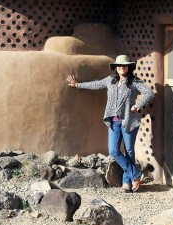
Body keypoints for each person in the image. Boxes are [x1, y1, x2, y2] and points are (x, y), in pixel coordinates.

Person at [66, 55, 155, 192]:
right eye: (119, 65)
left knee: (129, 151)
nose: (121, 68)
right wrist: (77, 85)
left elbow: (149, 93)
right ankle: (136, 175)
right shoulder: (110, 80)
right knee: (113, 150)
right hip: (113, 122)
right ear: (116, 68)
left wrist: (138, 105)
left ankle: (127, 182)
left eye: (124, 65)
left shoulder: (134, 82)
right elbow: (95, 85)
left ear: (128, 67)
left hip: (129, 121)